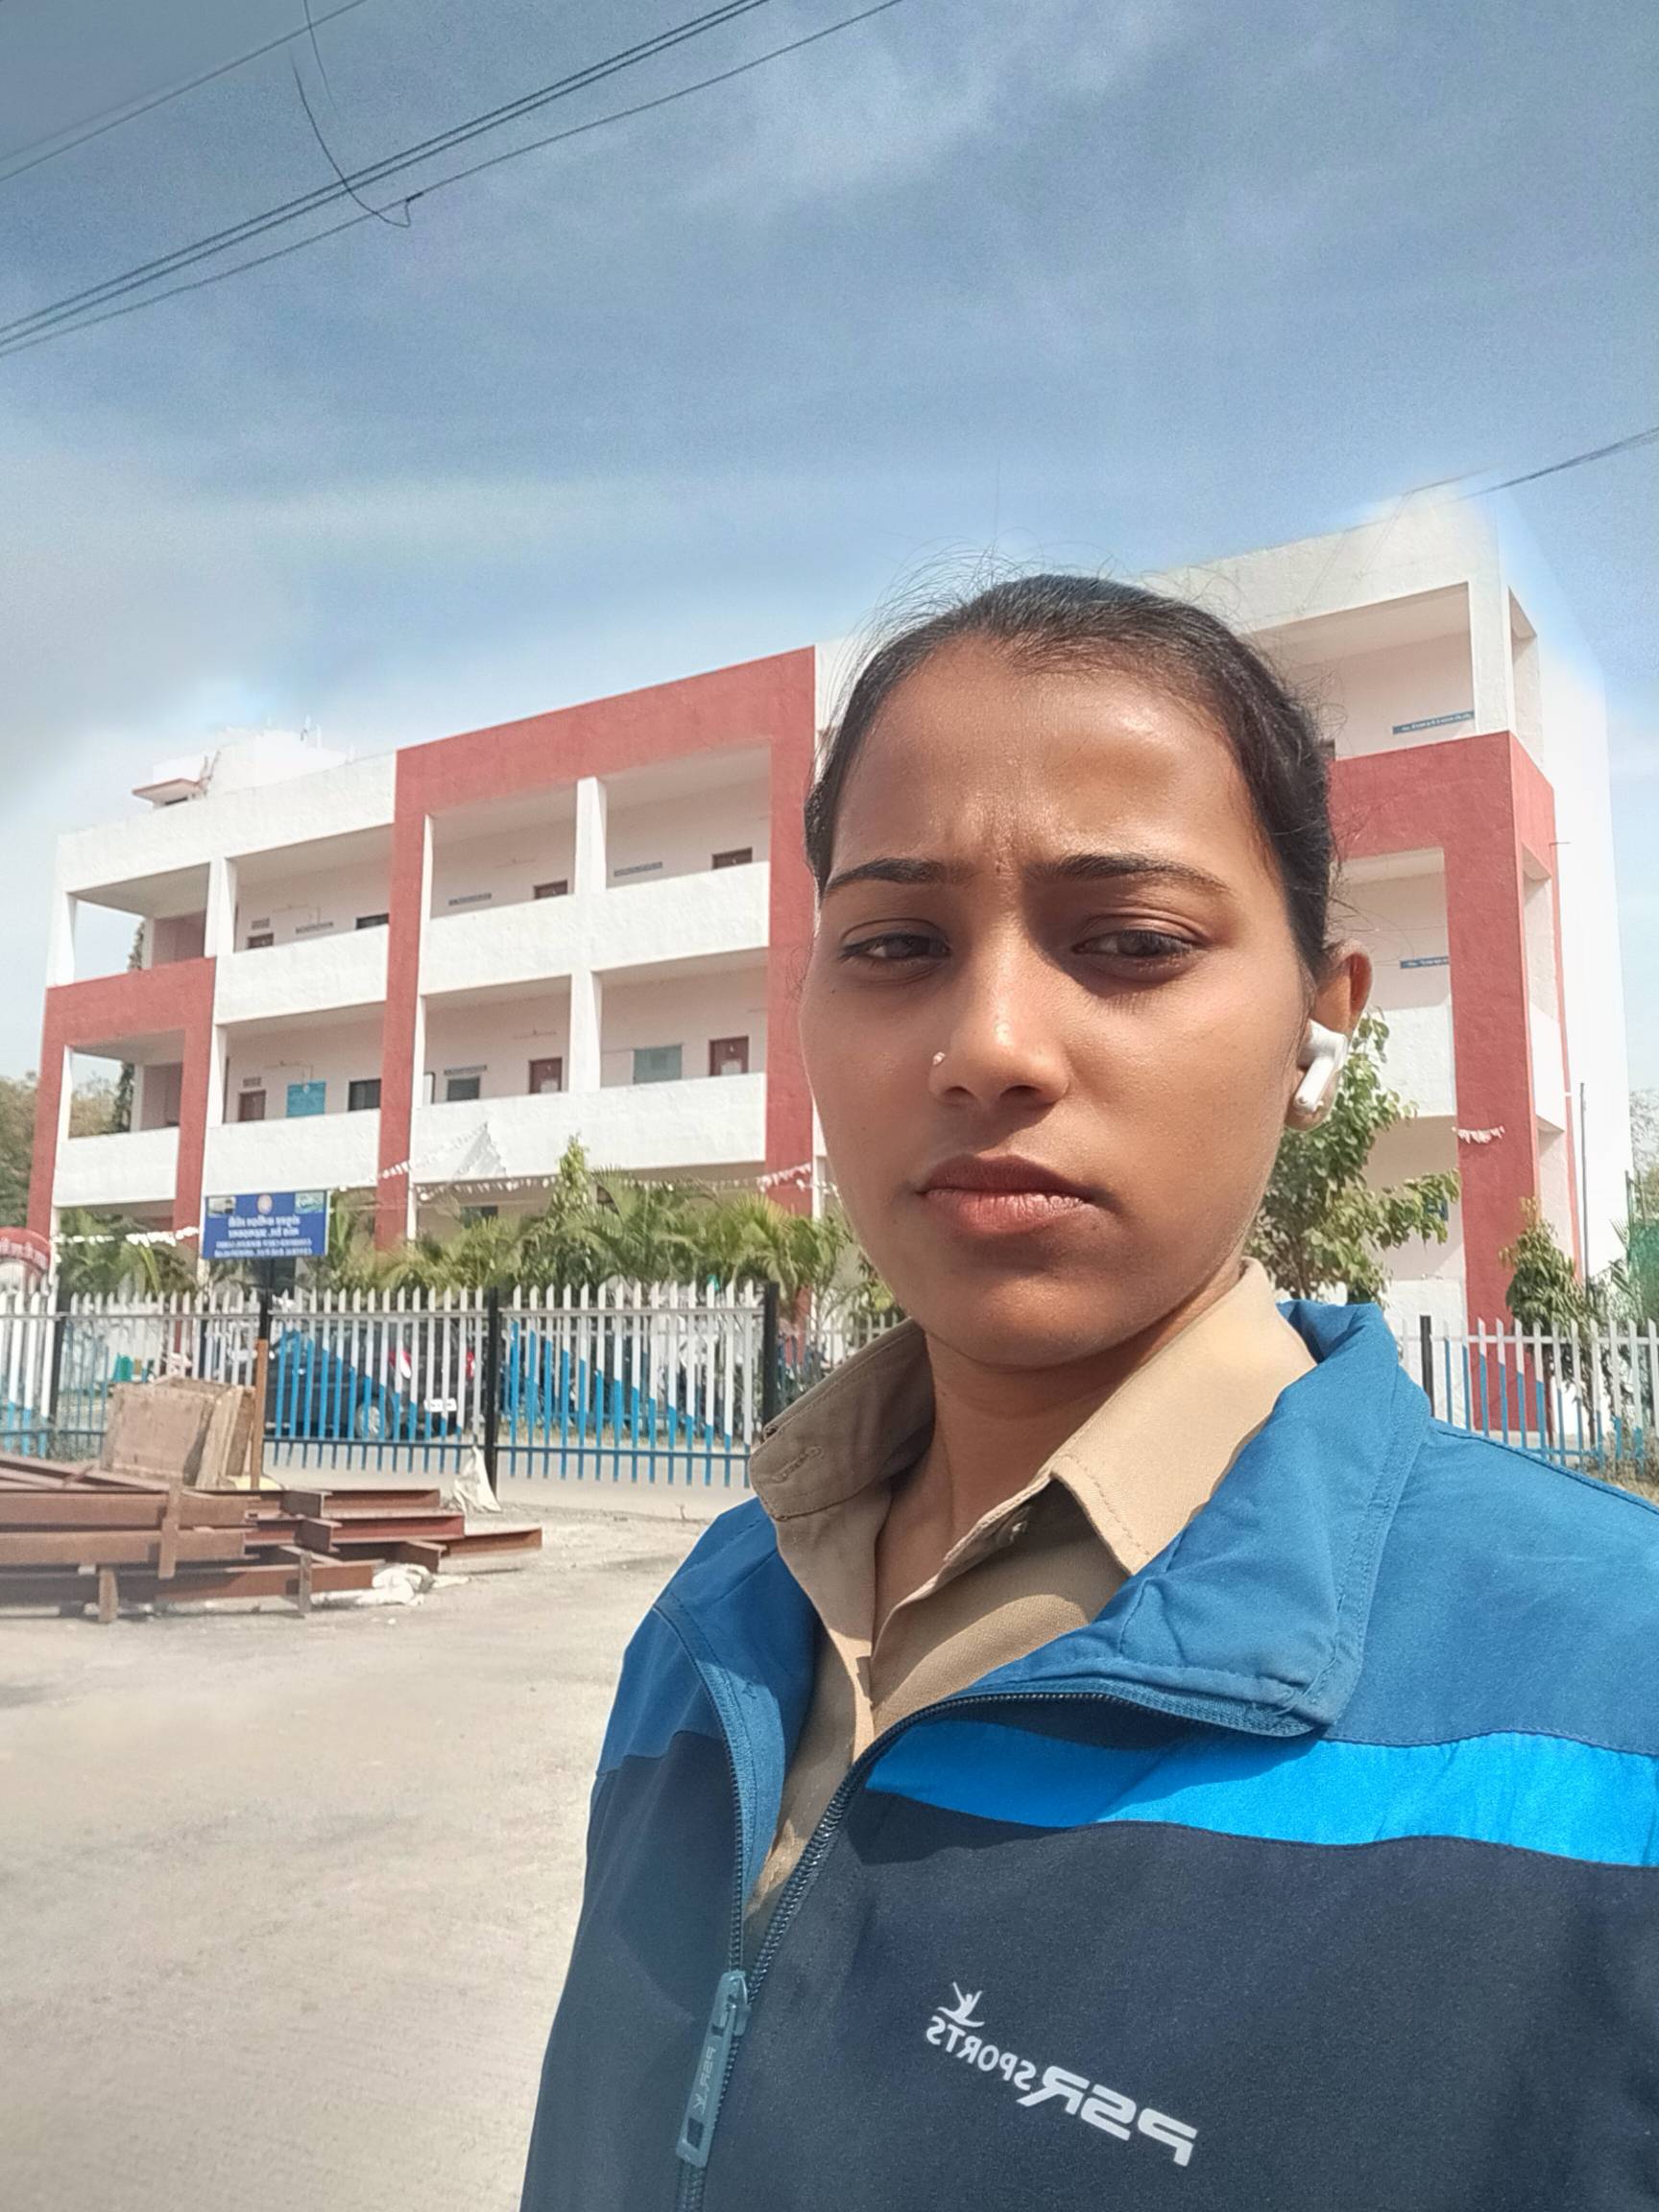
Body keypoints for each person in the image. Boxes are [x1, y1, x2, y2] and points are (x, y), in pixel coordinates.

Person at [519, 575, 1659, 2212]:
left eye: (1130, 943)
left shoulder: (1613, 1700)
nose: (989, 1045)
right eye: (895, 945)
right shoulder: (721, 1615)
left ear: (1320, 1026)